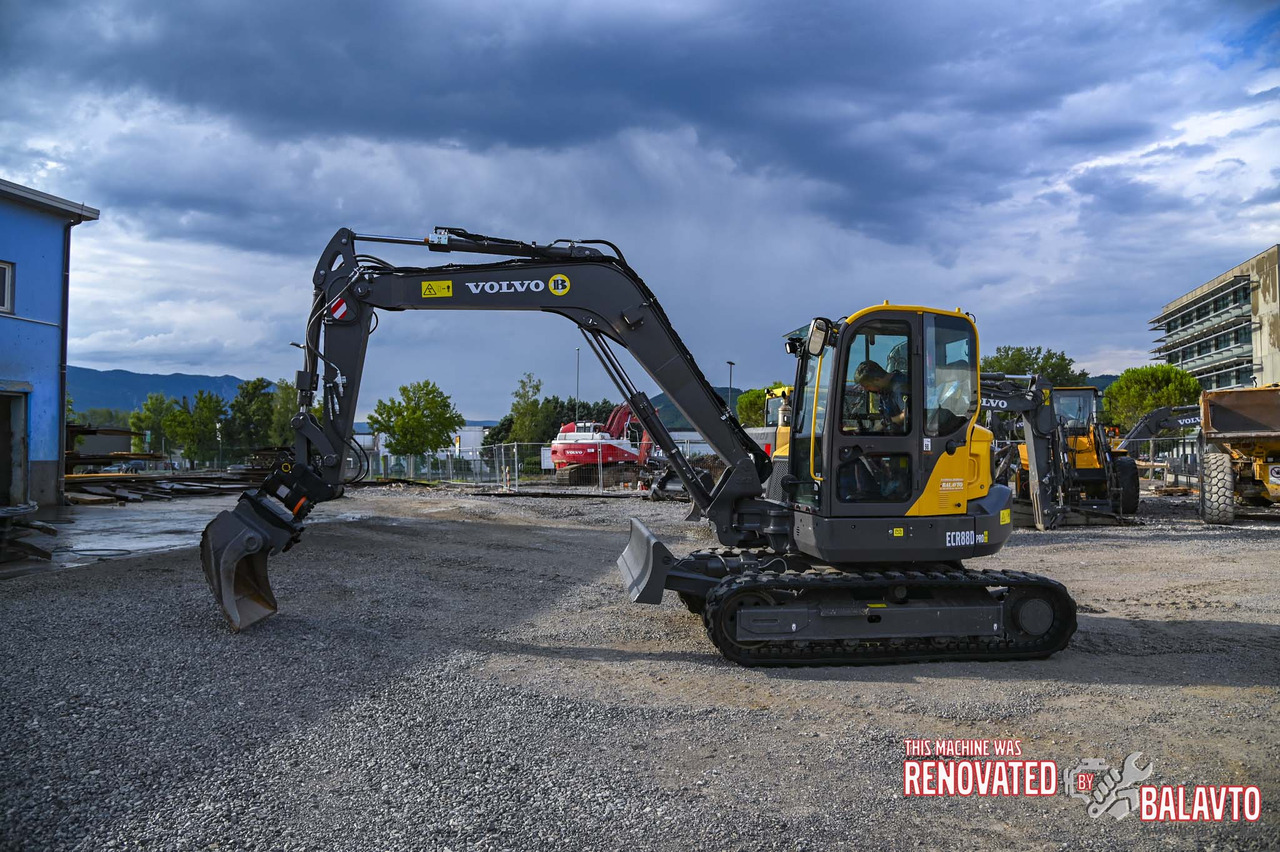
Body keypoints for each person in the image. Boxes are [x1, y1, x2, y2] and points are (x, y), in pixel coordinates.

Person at [852, 360, 909, 432]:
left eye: (867, 386)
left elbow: (907, 413)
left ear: (877, 379)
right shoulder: (884, 388)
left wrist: (885, 422)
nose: (866, 389)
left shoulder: (899, 387)